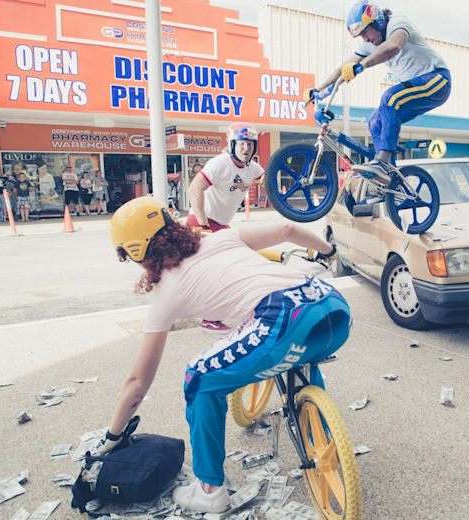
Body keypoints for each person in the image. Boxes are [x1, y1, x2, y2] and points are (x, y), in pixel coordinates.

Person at [94, 197, 344, 514]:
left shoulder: (166, 293)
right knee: (295, 350)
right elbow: (287, 229)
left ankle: (210, 489)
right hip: (331, 304)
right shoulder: (220, 238)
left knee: (199, 377)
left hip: (282, 320)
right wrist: (329, 251)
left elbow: (138, 383)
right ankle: (321, 435)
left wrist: (113, 436)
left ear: (135, 252)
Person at [305, 0, 451, 180]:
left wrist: (362, 66)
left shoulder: (398, 24)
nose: (365, 39)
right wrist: (318, 90)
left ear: (378, 22)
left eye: (365, 32)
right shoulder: (369, 45)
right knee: (375, 122)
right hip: (417, 86)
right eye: (361, 36)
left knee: (391, 98)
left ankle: (382, 163)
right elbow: (342, 69)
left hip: (437, 80)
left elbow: (393, 47)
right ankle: (390, 178)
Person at [187, 123, 264, 334]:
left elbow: (268, 179)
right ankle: (210, 318)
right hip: (202, 222)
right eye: (241, 144)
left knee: (238, 264)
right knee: (219, 270)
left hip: (221, 224)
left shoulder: (252, 168)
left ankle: (222, 312)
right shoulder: (220, 163)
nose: (246, 148)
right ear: (232, 144)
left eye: (250, 144)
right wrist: (202, 225)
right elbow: (195, 189)